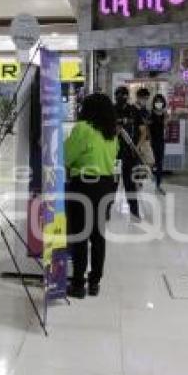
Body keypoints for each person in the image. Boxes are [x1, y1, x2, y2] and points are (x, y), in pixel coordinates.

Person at [64, 93, 119, 298]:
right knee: (98, 237)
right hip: (106, 186)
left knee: (80, 236)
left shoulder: (83, 129)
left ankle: (78, 285)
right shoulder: (112, 133)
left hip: (84, 187)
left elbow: (66, 157)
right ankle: (94, 282)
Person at [114, 86, 148, 220]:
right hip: (114, 154)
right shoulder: (111, 110)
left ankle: (134, 211)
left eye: (124, 95)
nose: (122, 98)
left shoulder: (134, 111)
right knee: (113, 184)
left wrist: (137, 147)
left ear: (127, 97)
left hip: (130, 153)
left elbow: (143, 131)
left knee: (130, 184)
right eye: (119, 95)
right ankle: (105, 212)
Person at [149, 94, 168, 195]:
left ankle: (158, 185)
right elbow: (147, 128)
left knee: (159, 163)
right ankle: (149, 182)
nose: (159, 103)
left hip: (160, 140)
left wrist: (165, 116)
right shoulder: (150, 113)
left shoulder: (164, 114)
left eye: (160, 101)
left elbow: (165, 127)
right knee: (151, 162)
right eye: (157, 101)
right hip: (152, 141)